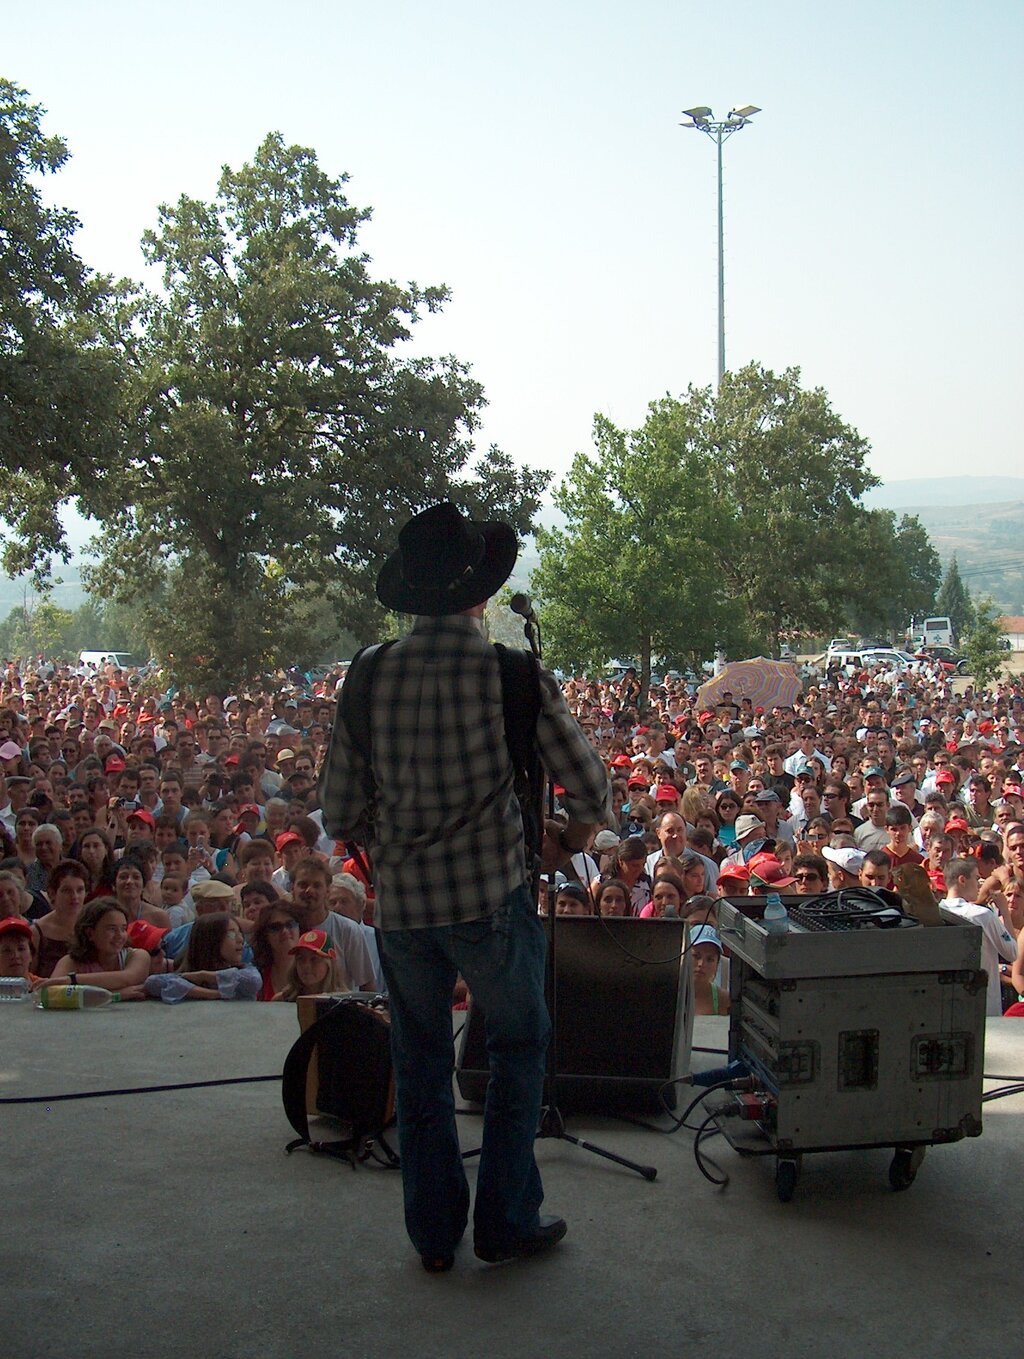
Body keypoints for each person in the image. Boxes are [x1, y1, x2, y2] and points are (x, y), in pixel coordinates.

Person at [319, 502, 610, 1273]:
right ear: (479, 595)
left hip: (405, 911)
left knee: (417, 1060)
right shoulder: (509, 673)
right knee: (519, 1044)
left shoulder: (370, 673)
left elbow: (339, 809)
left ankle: (434, 1234)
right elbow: (589, 786)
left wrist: (390, 838)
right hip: (490, 899)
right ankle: (507, 1218)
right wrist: (566, 841)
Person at [940, 857, 1017, 1017]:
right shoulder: (982, 915)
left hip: (947, 1004)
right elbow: (1012, 952)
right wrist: (1005, 912)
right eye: (976, 878)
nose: (979, 884)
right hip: (984, 1005)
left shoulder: (935, 912)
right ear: (962, 879)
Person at [42, 898, 150, 996]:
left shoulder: (138, 956)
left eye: (123, 929)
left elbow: (128, 978)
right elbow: (51, 993)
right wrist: (114, 995)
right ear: (90, 934)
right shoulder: (70, 962)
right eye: (112, 929)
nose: (119, 936)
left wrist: (72, 980)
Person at [144, 913, 260, 1002]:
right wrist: (214, 994)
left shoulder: (245, 971)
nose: (240, 940)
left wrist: (203, 975)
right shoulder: (188, 976)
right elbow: (153, 983)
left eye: (240, 933)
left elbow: (253, 981)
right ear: (210, 941)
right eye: (231, 934)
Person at [273, 926, 344, 1000]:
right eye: (300, 958)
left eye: (314, 959)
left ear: (329, 964)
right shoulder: (282, 999)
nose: (306, 965)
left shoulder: (344, 1001)